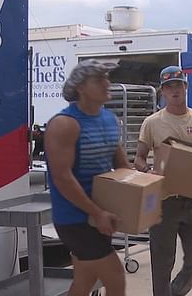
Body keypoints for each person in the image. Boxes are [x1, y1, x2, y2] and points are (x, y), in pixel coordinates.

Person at [133, 66, 192, 296]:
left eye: (178, 84)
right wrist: (148, 171)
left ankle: (175, 292)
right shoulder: (152, 123)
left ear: (186, 87)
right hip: (164, 203)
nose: (174, 90)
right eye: (168, 87)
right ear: (162, 92)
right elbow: (139, 158)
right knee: (162, 264)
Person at [44, 59, 128, 296]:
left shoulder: (110, 120)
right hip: (75, 219)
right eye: (98, 80)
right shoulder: (65, 124)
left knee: (84, 281)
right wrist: (97, 213)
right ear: (80, 87)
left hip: (100, 214)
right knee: (116, 279)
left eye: (107, 78)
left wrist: (149, 183)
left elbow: (122, 166)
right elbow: (62, 178)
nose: (107, 83)